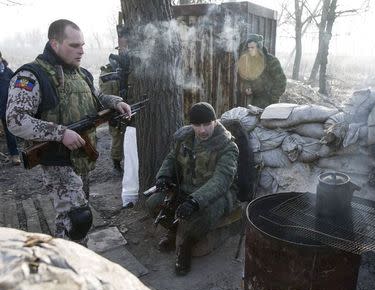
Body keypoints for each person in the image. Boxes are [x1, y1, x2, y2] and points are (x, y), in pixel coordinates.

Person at [6, 19, 131, 243]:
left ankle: (73, 259)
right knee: (78, 219)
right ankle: (66, 266)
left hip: (81, 156)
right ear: (54, 44)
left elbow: (95, 99)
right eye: (74, 45)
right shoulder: (32, 76)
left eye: (82, 45)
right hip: (58, 161)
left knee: (73, 220)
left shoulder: (81, 74)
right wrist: (60, 133)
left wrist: (114, 102)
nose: (81, 51)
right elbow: (16, 120)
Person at [146, 102, 239, 275]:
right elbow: (171, 158)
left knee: (196, 218)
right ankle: (174, 231)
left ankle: (185, 247)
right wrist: (164, 177)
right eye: (197, 125)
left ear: (215, 122)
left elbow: (222, 180)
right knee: (153, 203)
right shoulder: (184, 138)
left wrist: (195, 201)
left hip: (218, 196)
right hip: (186, 190)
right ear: (191, 124)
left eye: (207, 124)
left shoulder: (228, 146)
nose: (202, 130)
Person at [237, 33, 287, 108]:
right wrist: (247, 87)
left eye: (252, 47)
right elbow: (246, 78)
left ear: (259, 47)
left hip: (271, 102)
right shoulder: (250, 62)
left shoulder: (271, 61)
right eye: (248, 48)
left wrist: (273, 98)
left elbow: (281, 81)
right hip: (256, 101)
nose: (250, 50)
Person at [0, 51, 20, 165]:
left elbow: (18, 86)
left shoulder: (8, 72)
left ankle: (15, 155)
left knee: (10, 132)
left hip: (6, 107)